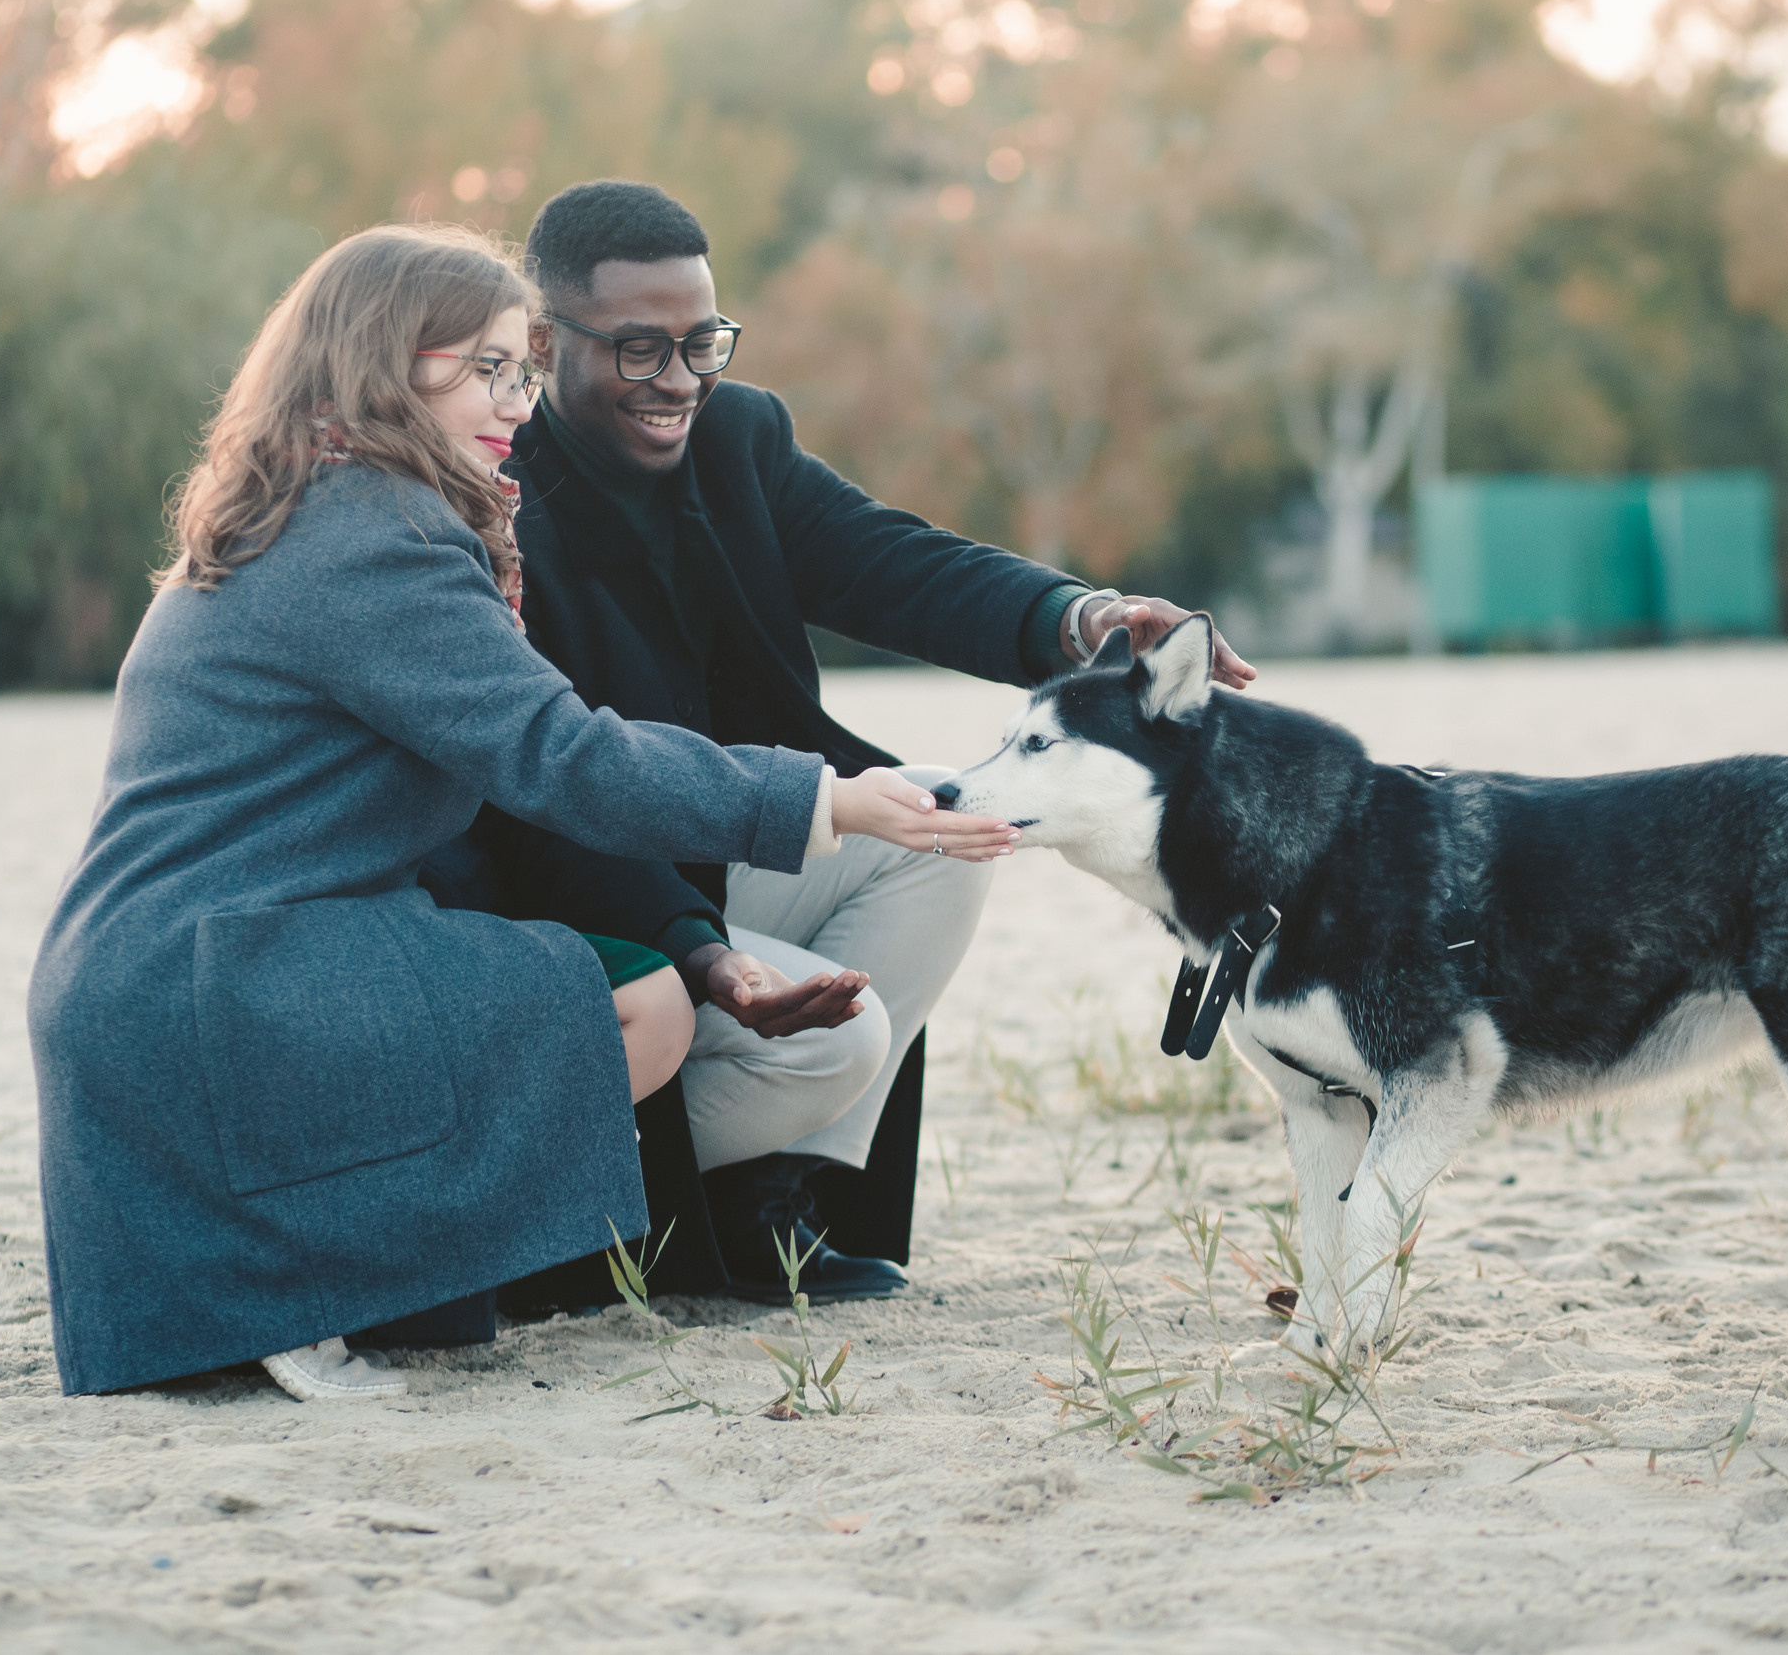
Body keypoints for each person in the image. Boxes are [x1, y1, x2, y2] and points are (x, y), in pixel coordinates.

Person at [25, 225, 1015, 1400]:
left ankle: (415, 1266)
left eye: (523, 369)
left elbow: (885, 570)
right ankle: (315, 1289)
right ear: (387, 362)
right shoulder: (370, 534)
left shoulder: (330, 500)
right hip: (224, 972)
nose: (518, 400)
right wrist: (826, 799)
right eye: (487, 368)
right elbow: (560, 756)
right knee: (630, 1005)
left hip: (207, 955)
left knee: (638, 994)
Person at [464, 180, 1255, 1309]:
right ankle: (606, 1212)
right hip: (576, 891)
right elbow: (540, 792)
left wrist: (1082, 618)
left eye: (701, 344)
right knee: (845, 1036)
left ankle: (775, 1201)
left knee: (942, 821)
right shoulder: (493, 498)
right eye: (639, 352)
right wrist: (700, 949)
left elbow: (892, 561)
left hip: (733, 834)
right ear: (544, 342)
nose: (679, 381)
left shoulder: (738, 439)